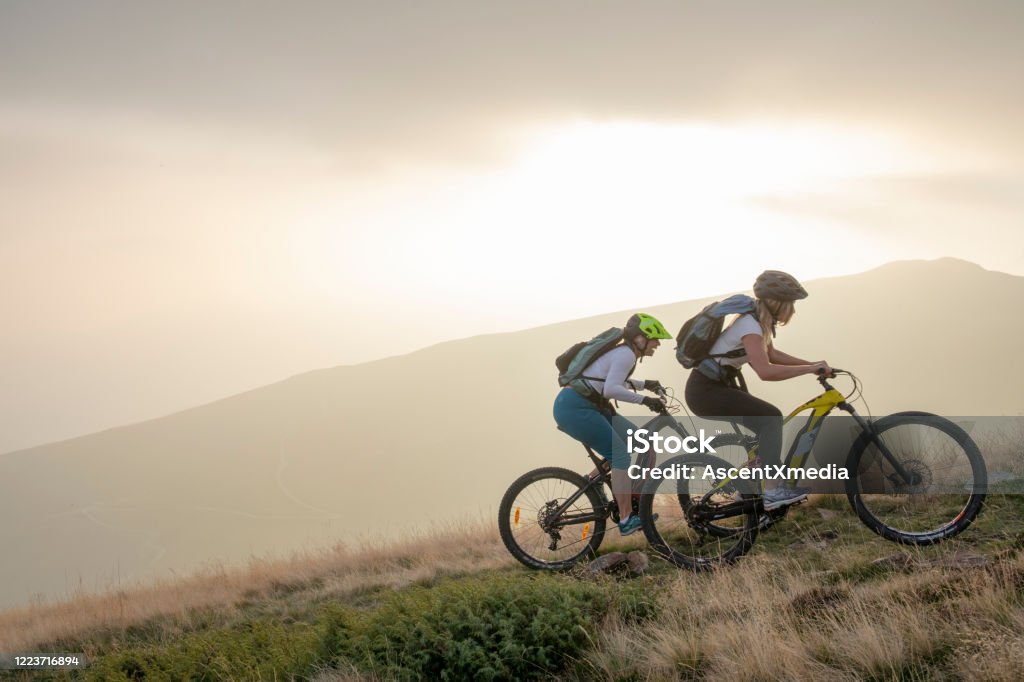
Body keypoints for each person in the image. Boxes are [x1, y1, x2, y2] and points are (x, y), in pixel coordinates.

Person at [684, 270, 832, 510]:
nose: (792, 310)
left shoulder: (757, 323)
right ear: (777, 303)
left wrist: (812, 365)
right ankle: (773, 491)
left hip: (717, 387)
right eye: (790, 303)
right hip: (705, 392)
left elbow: (772, 355)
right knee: (771, 418)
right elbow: (765, 371)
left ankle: (748, 489)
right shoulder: (750, 325)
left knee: (762, 434)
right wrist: (808, 369)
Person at [553, 313, 671, 536]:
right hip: (575, 407)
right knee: (620, 456)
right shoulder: (625, 354)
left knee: (641, 443)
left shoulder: (625, 353)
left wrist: (646, 384)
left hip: (590, 406)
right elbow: (611, 389)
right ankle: (626, 519)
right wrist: (646, 400)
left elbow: (608, 380)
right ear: (640, 338)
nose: (657, 344)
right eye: (655, 339)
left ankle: (593, 481)